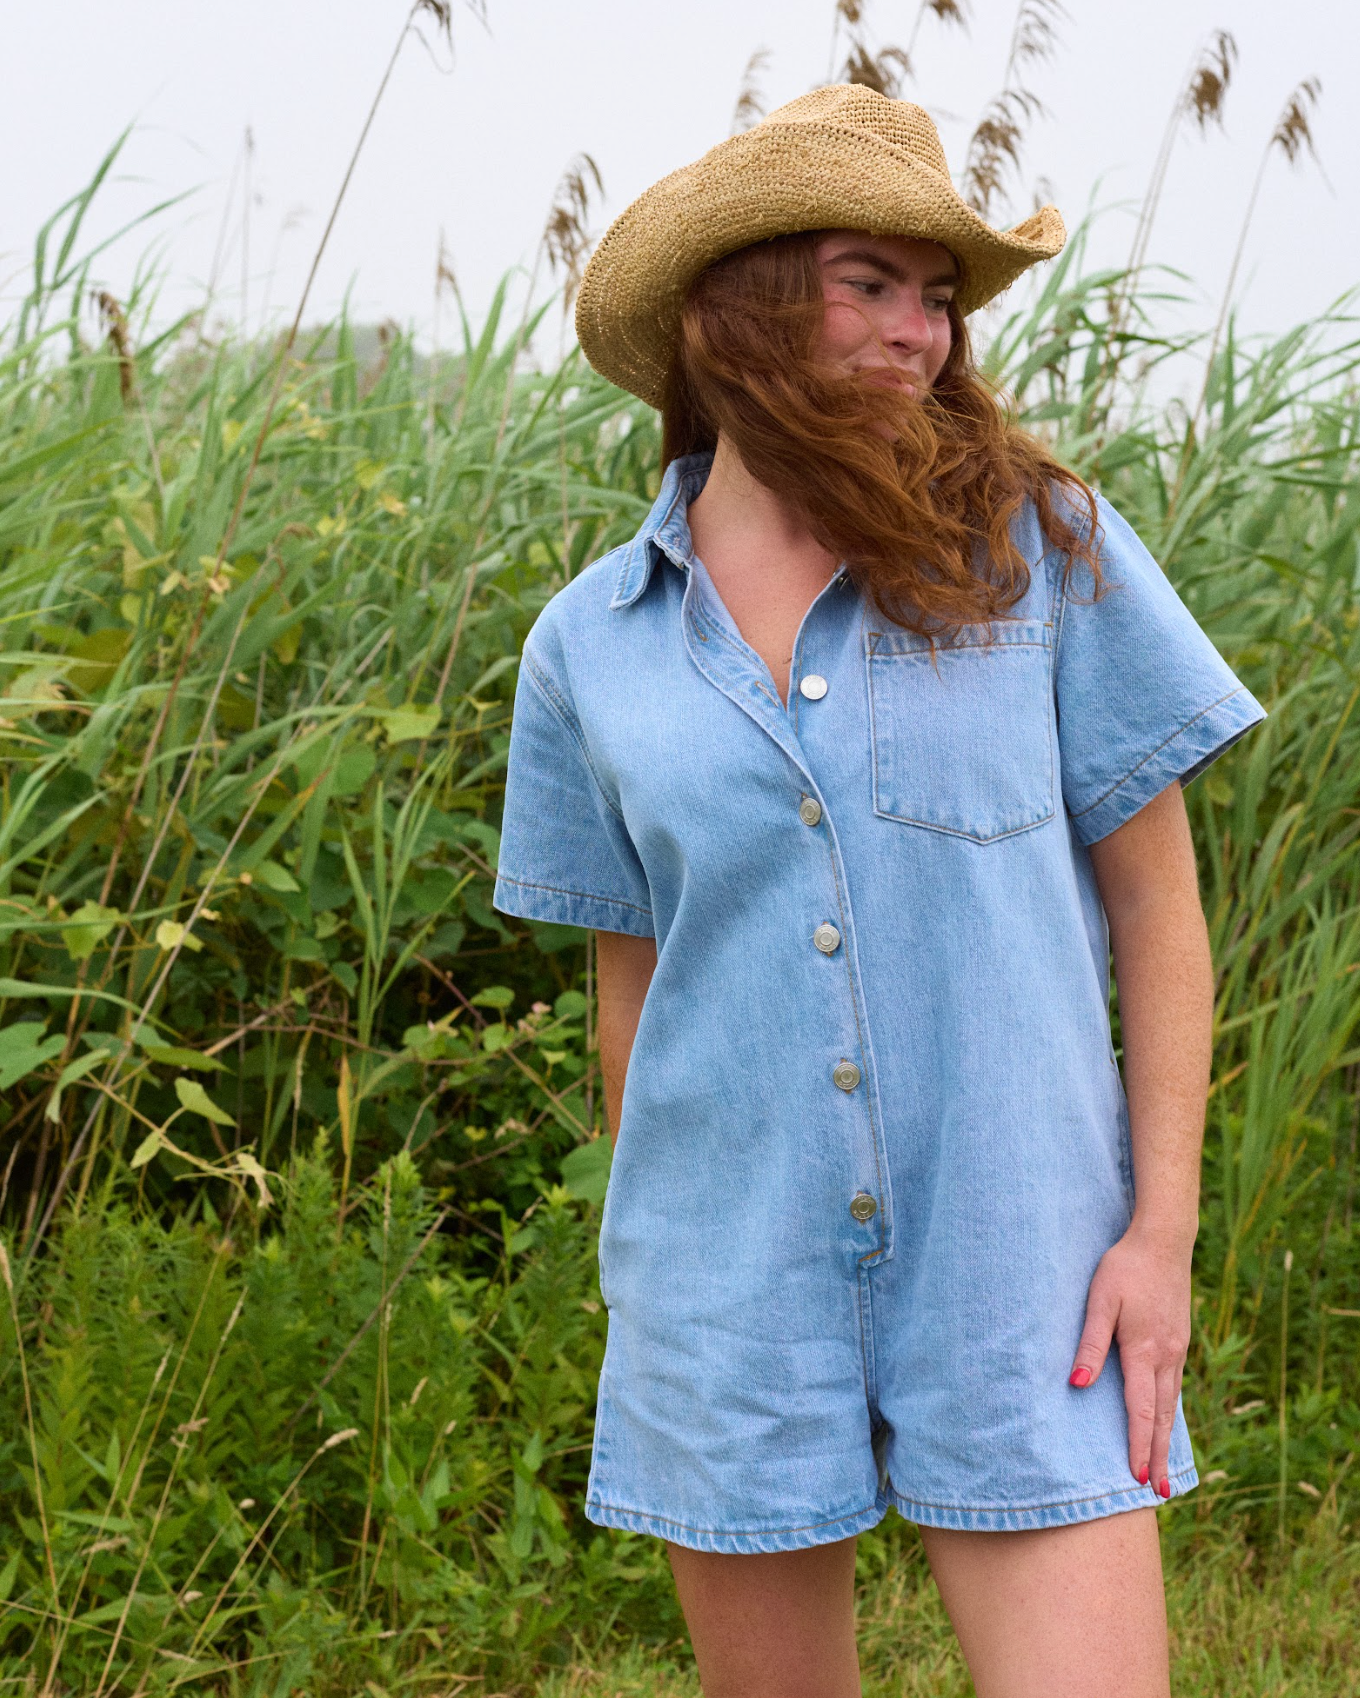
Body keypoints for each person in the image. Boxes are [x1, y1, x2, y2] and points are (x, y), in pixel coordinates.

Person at [492, 84, 1264, 1698]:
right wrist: (660, 1282)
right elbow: (633, 983)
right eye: (872, 282)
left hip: (1030, 1270)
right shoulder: (591, 645)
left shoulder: (1045, 553)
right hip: (731, 1287)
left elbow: (1160, 912)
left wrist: (1161, 1236)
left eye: (941, 297)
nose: (921, 331)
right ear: (739, 308)